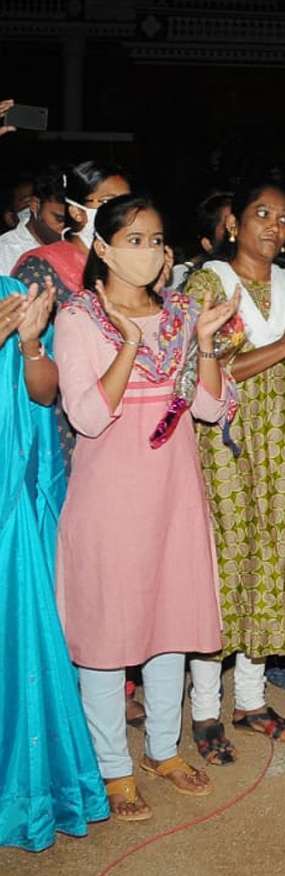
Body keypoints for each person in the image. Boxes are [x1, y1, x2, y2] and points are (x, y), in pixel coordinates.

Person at [54, 195, 239, 821]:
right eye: (134, 239)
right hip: (109, 500)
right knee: (108, 634)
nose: (151, 251)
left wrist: (207, 343)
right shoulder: (78, 317)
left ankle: (164, 749)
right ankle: (113, 767)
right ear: (102, 249)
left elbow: (211, 408)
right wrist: (130, 343)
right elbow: (84, 415)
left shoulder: (185, 311)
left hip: (174, 494)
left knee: (170, 625)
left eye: (158, 240)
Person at [186, 183, 285, 764]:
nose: (275, 225)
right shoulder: (208, 284)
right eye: (262, 214)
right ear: (232, 222)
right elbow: (218, 373)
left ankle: (250, 702)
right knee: (227, 567)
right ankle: (204, 711)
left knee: (269, 560)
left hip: (281, 440)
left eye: (283, 217)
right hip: (227, 442)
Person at [0, 274, 109, 850]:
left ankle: (25, 794)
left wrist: (29, 344)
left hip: (10, 503)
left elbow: (44, 395)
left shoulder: (9, 290)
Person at [13, 161, 133, 305]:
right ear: (77, 212)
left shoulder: (134, 261)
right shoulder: (39, 267)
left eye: (128, 204)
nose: (122, 212)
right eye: (108, 202)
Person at [0, 164, 66, 275]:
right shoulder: (5, 252)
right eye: (59, 219)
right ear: (35, 205)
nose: (65, 228)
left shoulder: (76, 244)